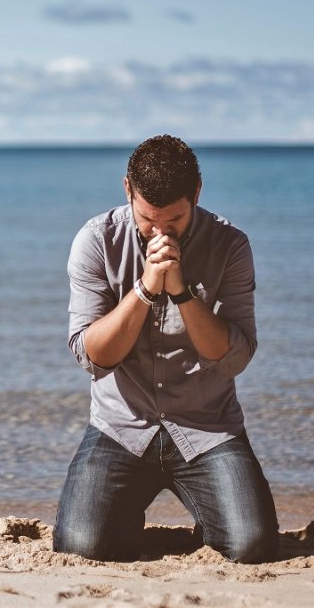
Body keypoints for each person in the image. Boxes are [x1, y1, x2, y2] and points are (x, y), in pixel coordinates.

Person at [53, 134, 278, 564]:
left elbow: (234, 357)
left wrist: (181, 292)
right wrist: (143, 289)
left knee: (252, 546)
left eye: (173, 220)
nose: (160, 233)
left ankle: (209, 517)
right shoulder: (97, 240)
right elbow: (92, 356)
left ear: (196, 193)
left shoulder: (230, 245)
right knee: (79, 548)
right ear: (127, 191)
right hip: (120, 427)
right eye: (147, 219)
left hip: (207, 428)